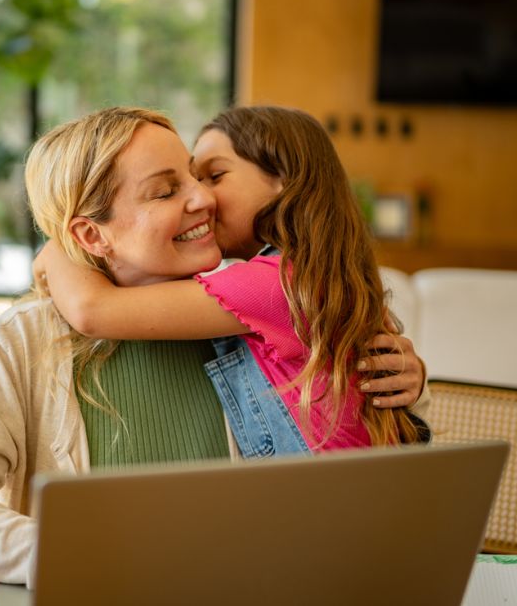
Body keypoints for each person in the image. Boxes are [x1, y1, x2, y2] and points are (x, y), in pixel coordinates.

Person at [0, 107, 428, 586]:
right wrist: (89, 555)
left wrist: (413, 382)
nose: (204, 198)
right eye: (167, 189)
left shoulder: (247, 309)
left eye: (202, 177)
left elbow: (371, 430)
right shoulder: (25, 341)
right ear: (91, 235)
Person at [36, 105, 424, 452]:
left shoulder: (280, 284)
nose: (203, 197)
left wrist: (57, 249)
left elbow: (93, 310)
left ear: (285, 182)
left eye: (213, 176)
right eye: (180, 184)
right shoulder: (310, 276)